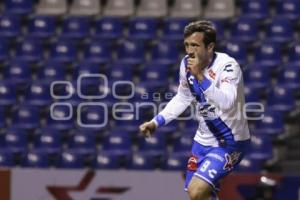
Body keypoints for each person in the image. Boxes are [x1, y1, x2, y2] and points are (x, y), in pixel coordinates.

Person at [139, 20, 251, 200]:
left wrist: (200, 76)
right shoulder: (186, 64)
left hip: (230, 142)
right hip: (202, 141)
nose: (190, 51)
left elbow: (228, 102)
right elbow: (183, 97)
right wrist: (156, 122)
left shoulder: (228, 66)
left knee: (196, 191)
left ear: (210, 47)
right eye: (187, 45)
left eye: (195, 45)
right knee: (201, 196)